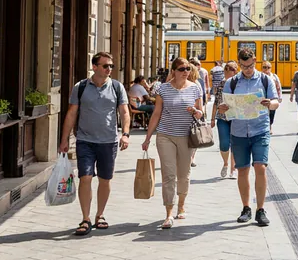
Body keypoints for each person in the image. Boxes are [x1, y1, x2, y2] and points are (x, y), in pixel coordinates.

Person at [57, 52, 130, 236]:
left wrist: (126, 134)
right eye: (105, 66)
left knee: (105, 180)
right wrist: (64, 139)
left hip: (108, 141)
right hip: (85, 141)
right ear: (94, 67)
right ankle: (85, 218)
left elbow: (124, 112)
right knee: (85, 178)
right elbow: (72, 113)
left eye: (111, 66)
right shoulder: (81, 87)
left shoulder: (116, 87)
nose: (109, 69)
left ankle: (100, 215)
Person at [216, 48, 280, 226]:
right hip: (238, 131)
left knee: (260, 167)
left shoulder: (266, 80)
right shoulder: (232, 82)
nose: (247, 69)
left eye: (250, 65)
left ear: (255, 60)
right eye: (243, 66)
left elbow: (276, 102)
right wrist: (223, 108)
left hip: (260, 130)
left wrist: (270, 104)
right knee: (242, 170)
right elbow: (225, 103)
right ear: (239, 64)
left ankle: (260, 209)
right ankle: (246, 208)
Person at [141, 58, 204, 229]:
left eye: (188, 69)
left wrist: (196, 112)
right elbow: (156, 114)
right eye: (182, 69)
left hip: (186, 137)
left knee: (183, 174)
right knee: (169, 175)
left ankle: (181, 204)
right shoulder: (164, 89)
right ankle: (169, 213)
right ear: (174, 71)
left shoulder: (195, 88)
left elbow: (201, 112)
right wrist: (147, 138)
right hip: (165, 136)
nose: (186, 72)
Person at [211, 61, 239, 179]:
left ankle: (233, 169)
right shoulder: (221, 84)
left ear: (235, 71)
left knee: (235, 144)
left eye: (231, 69)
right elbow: (216, 102)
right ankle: (225, 163)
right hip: (222, 118)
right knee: (224, 144)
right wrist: (212, 118)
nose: (228, 72)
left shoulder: (240, 84)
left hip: (236, 118)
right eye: (226, 70)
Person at [261, 62, 281, 126]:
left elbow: (278, 87)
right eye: (264, 67)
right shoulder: (259, 77)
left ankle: (270, 125)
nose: (266, 69)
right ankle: (267, 127)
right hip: (262, 99)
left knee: (272, 113)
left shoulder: (274, 77)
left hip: (272, 98)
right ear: (262, 68)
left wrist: (279, 97)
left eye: (268, 67)